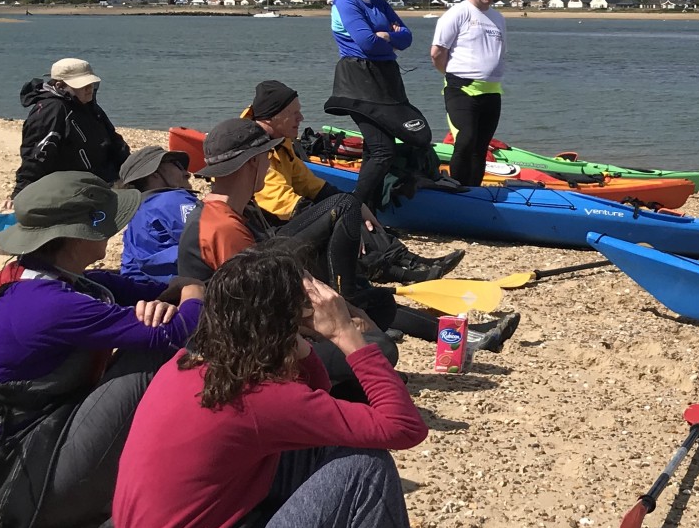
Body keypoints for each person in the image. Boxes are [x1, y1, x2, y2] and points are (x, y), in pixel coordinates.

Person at [90, 249, 500, 528]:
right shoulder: (260, 398)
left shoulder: (195, 364)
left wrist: (296, 341)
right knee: (363, 467)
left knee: (320, 450)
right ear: (282, 325)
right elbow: (403, 427)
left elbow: (313, 398)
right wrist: (344, 332)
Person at [0, 172, 200, 528]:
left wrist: (172, 292)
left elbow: (127, 287)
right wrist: (195, 288)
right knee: (148, 358)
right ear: (79, 234)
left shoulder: (42, 277)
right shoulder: (48, 305)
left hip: (22, 449)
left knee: (148, 337)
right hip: (18, 482)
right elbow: (178, 331)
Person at [175, 119, 508, 381]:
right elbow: (268, 310)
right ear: (252, 163)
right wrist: (338, 329)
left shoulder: (236, 210)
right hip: (250, 349)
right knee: (380, 350)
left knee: (374, 306)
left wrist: (349, 314)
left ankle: (393, 337)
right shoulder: (223, 227)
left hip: (263, 325)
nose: (268, 163)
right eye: (266, 157)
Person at [244, 79, 462, 284]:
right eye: (293, 113)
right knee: (342, 214)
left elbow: (310, 184)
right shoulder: (256, 150)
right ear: (270, 118)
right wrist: (343, 220)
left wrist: (356, 206)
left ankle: (406, 259)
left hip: (286, 218)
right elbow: (285, 205)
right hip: (268, 232)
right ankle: (396, 268)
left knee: (351, 207)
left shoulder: (281, 142)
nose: (301, 118)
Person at [324, 0, 438, 211]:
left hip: (386, 81)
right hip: (358, 80)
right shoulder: (345, 1)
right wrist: (389, 36)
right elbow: (366, 43)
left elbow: (407, 38)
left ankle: (372, 211)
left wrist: (388, 36)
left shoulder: (378, 3)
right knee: (382, 149)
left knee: (375, 149)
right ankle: (353, 210)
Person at [431, 0, 509, 187]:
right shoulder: (458, 13)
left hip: (492, 91)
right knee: (465, 140)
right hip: (461, 89)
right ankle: (456, 187)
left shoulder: (498, 18)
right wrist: (452, 75)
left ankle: (473, 191)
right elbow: (437, 53)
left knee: (480, 146)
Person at [14, 57, 131, 198]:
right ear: (60, 86)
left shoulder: (88, 106)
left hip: (106, 178)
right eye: (83, 85)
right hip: (77, 187)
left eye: (91, 84)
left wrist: (130, 170)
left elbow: (113, 140)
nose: (89, 89)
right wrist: (21, 191)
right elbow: (37, 155)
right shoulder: (52, 110)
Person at [117, 144, 197, 289]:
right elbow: (210, 241)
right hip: (178, 294)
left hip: (142, 293)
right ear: (154, 173)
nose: (187, 173)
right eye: (176, 164)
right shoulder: (170, 200)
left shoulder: (137, 213)